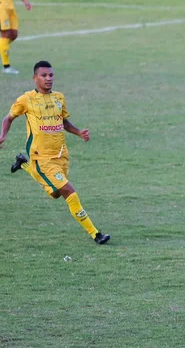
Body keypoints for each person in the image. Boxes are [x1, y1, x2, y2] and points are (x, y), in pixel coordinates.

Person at [0, 61, 111, 244]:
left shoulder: (59, 98)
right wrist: (2, 135)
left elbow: (64, 122)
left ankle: (23, 163)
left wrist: (78, 132)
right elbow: (8, 118)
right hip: (42, 158)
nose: (48, 79)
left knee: (55, 193)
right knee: (69, 191)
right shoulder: (26, 99)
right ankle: (96, 234)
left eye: (51, 75)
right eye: (44, 75)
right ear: (35, 78)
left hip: (61, 155)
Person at [0, 0, 31, 74]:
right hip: (1, 6)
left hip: (10, 5)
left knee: (13, 34)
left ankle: (2, 47)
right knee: (5, 34)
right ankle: (6, 67)